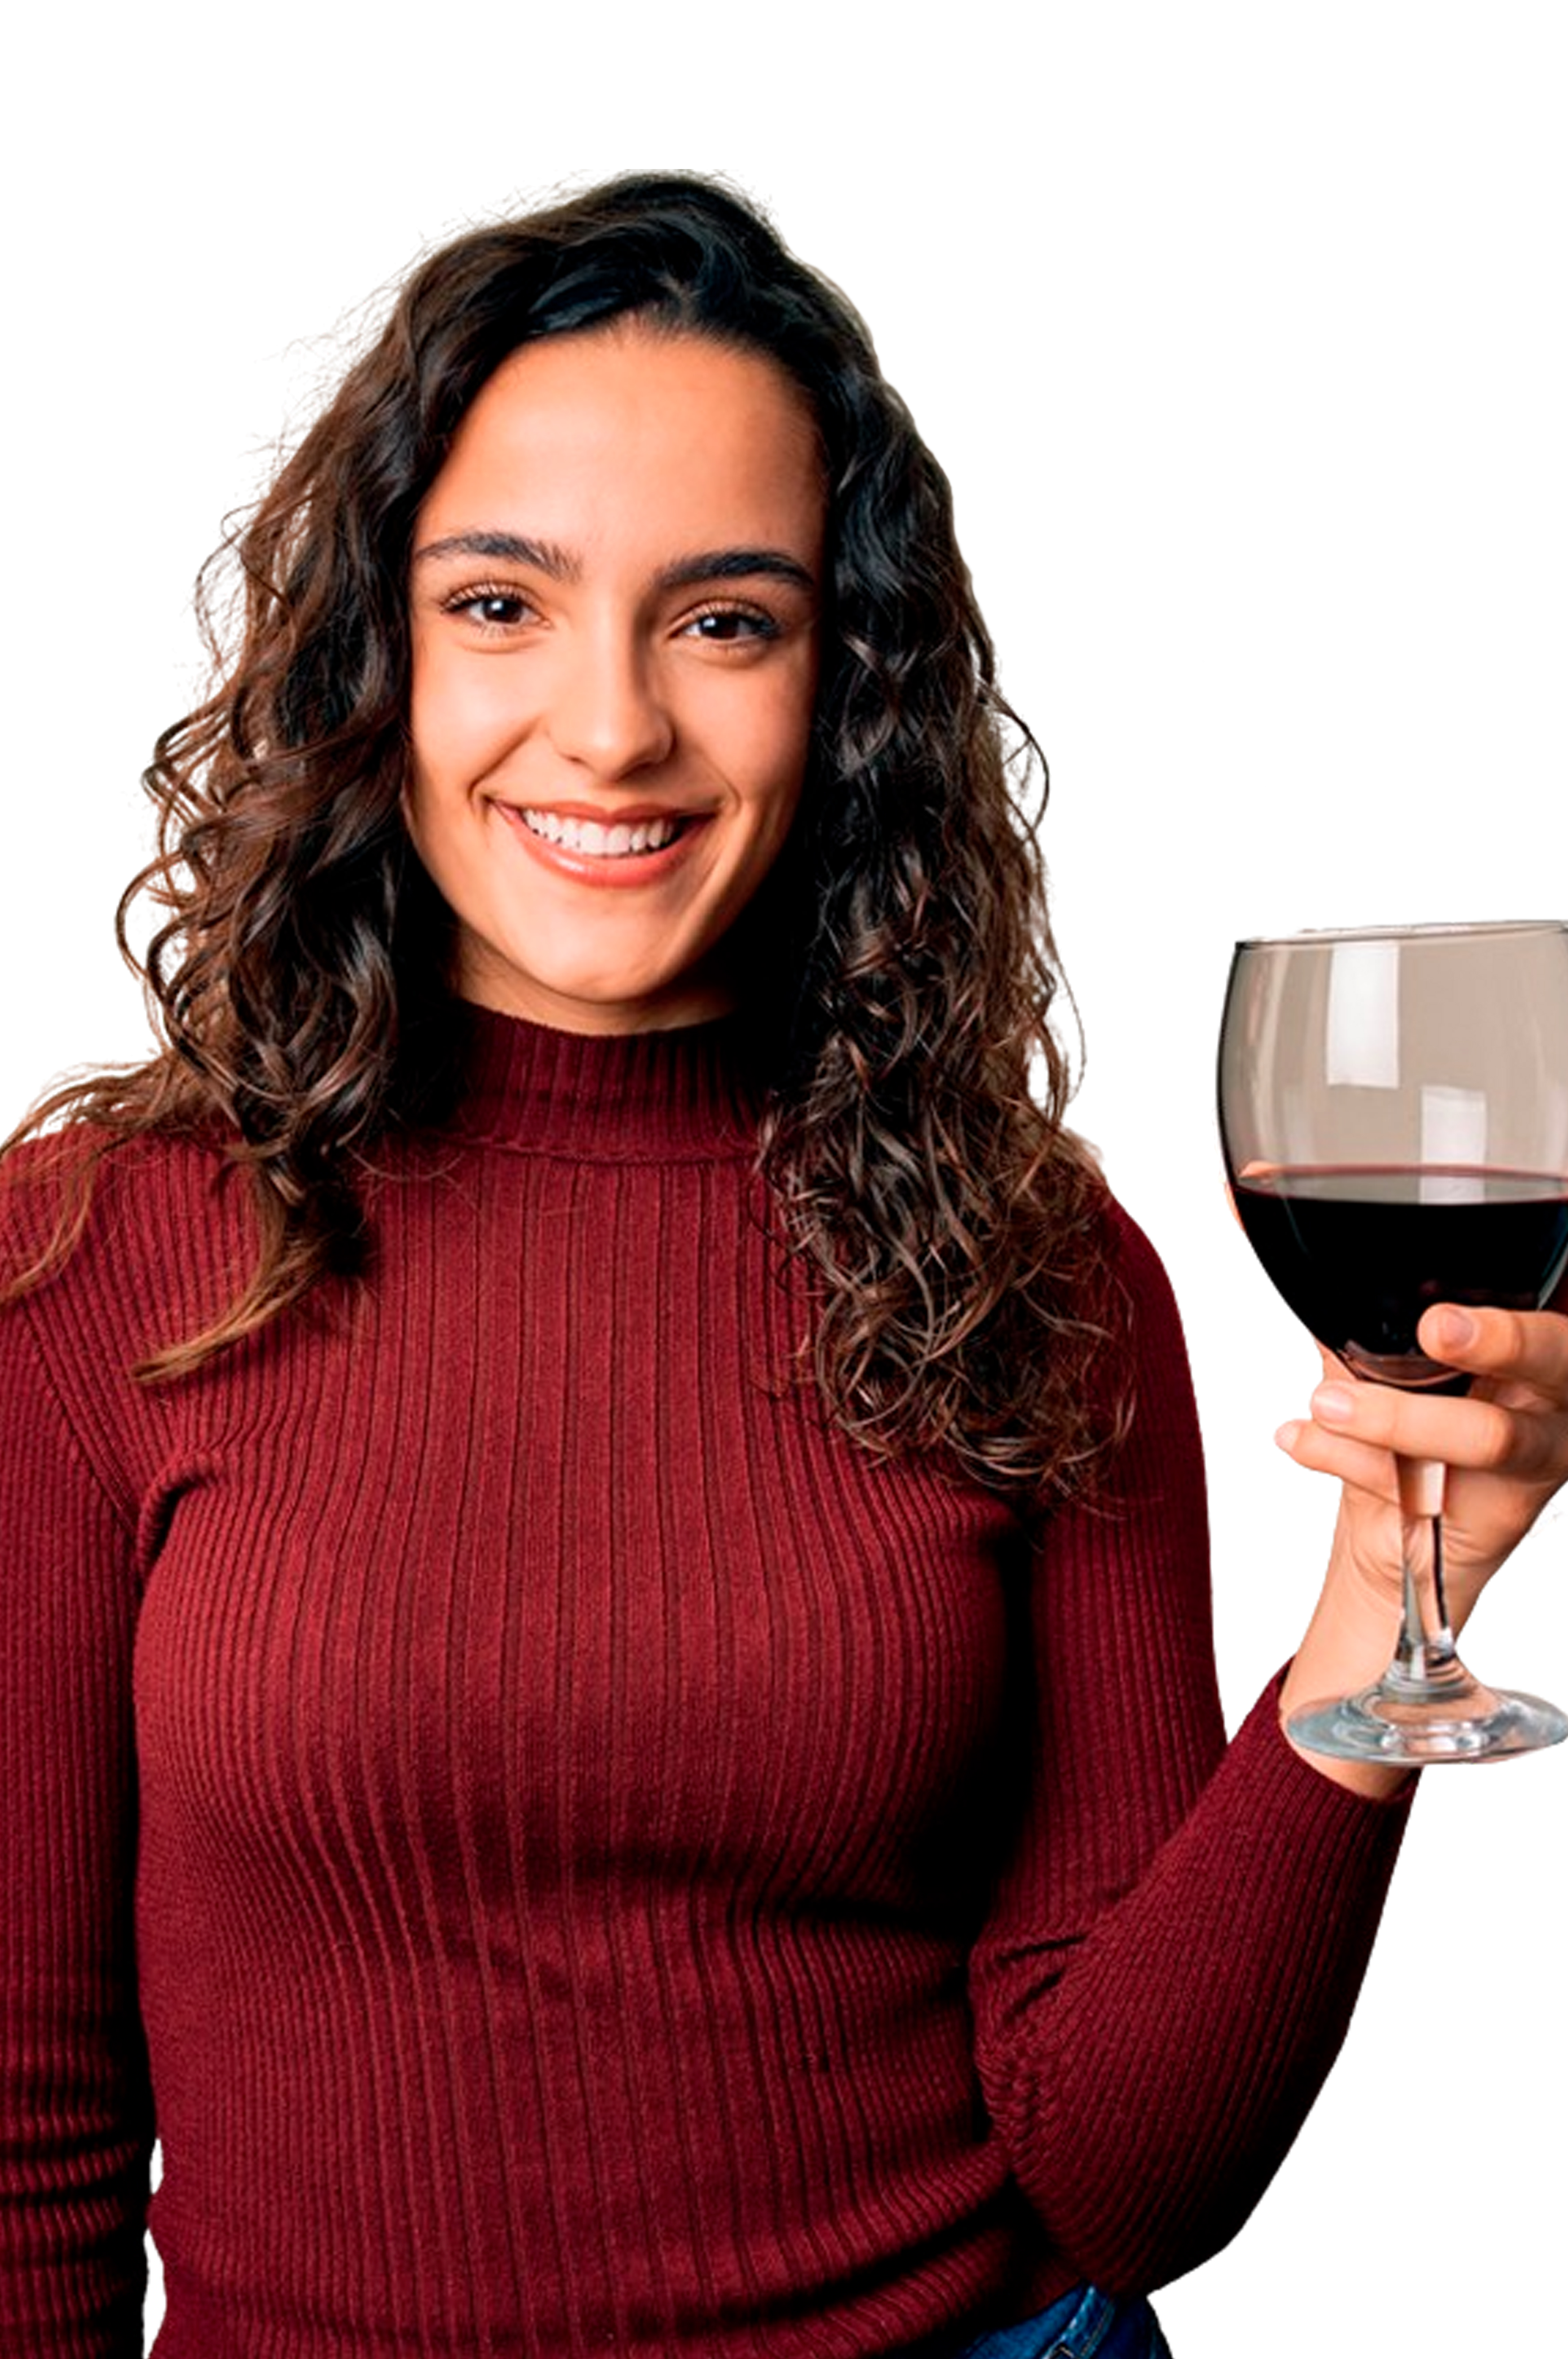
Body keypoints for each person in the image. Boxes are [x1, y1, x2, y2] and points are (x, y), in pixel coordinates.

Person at [1, 172, 1564, 2359]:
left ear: (846, 685)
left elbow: (1130, 2177)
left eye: (725, 619)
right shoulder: (99, 1253)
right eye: (500, 605)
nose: (617, 727)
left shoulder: (1036, 1264)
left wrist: (1381, 1605)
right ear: (374, 651)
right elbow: (23, 2132)